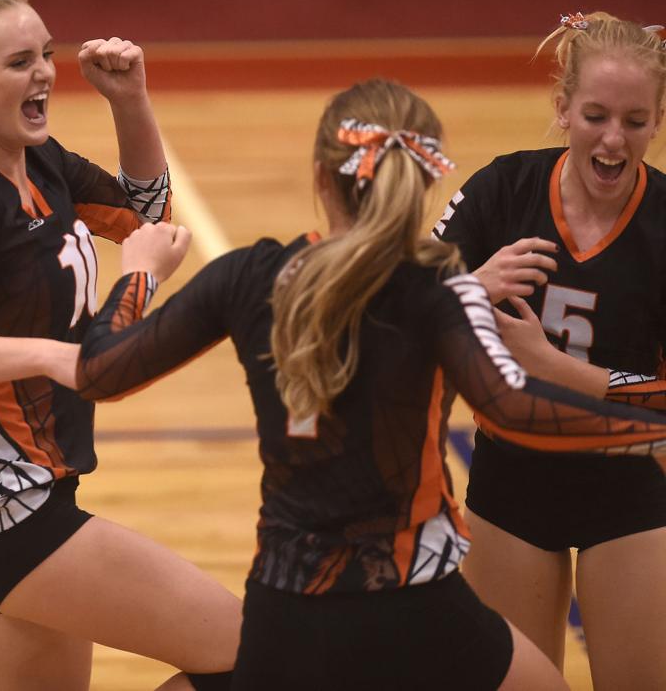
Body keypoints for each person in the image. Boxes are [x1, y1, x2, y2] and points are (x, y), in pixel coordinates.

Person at [71, 77, 666, 689]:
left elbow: (100, 371)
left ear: (321, 178)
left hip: (289, 605)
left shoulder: (248, 275)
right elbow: (515, 410)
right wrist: (650, 433)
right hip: (418, 606)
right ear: (420, 187)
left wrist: (139, 274)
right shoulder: (442, 293)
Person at [0, 0, 240, 690]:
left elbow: (146, 218)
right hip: (1, 514)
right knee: (255, 657)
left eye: (44, 53)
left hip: (34, 495)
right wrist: (69, 338)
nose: (44, 72)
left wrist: (129, 101)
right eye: (18, 62)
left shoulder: (36, 159)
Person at [434, 11, 666, 688]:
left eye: (635, 120)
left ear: (658, 120)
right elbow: (395, 317)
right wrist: (468, 288)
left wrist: (553, 368)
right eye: (595, 115)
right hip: (511, 481)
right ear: (563, 108)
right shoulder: (500, 191)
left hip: (629, 486)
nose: (614, 139)